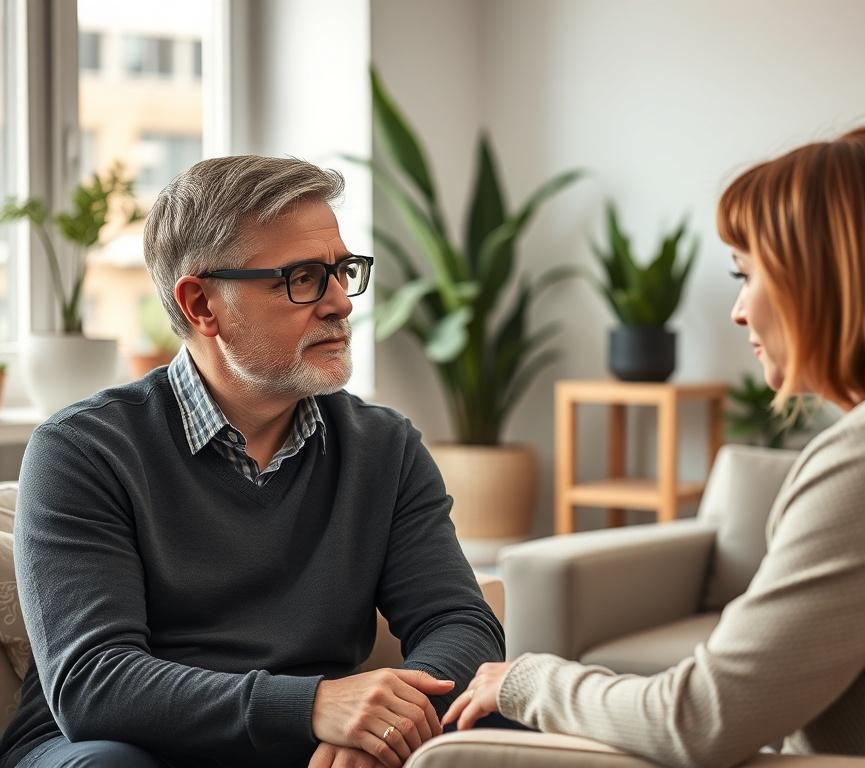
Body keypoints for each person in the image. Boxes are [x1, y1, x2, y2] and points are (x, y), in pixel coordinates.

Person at [444, 126, 865, 766]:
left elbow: (697, 722)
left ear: (822, 281)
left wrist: (528, 679)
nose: (739, 311)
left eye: (748, 275)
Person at [0, 156, 505, 768]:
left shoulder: (385, 447)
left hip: (311, 746)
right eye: (302, 279)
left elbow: (460, 622)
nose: (341, 303)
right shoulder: (81, 450)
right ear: (202, 305)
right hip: (122, 746)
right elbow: (96, 686)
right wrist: (314, 705)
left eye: (342, 271)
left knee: (508, 720)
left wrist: (392, 726)